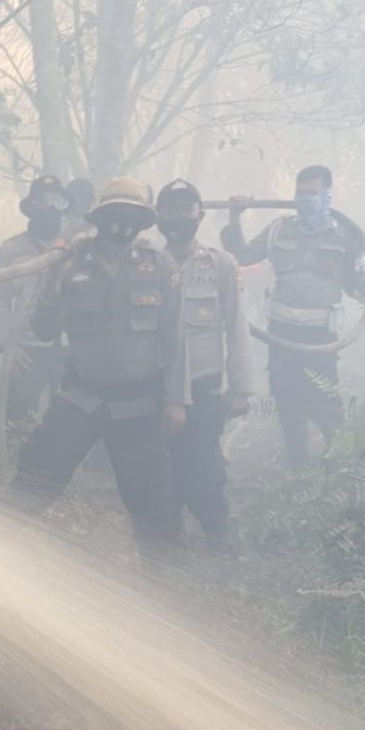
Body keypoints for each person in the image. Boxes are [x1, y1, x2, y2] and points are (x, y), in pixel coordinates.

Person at [1, 178, 188, 559]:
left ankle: (168, 585)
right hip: (80, 396)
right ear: (99, 217)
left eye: (131, 216)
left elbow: (174, 339)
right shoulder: (70, 261)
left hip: (139, 404)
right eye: (114, 215)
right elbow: (44, 329)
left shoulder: (159, 265)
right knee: (35, 479)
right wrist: (52, 283)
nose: (121, 223)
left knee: (152, 501)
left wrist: (176, 400)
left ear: (143, 222)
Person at [220, 165, 365, 467]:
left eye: (312, 193)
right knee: (286, 401)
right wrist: (234, 216)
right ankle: (297, 465)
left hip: (320, 337)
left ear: (327, 196)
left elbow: (357, 288)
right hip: (280, 334)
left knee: (326, 404)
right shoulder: (278, 229)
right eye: (300, 192)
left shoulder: (346, 237)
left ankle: (340, 470)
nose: (304, 199)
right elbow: (240, 257)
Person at [156, 180, 254, 550]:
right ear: (158, 218)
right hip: (161, 387)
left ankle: (217, 531)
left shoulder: (221, 265)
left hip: (205, 385)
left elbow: (237, 327)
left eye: (187, 209)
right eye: (171, 209)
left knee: (206, 463)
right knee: (167, 462)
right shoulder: (149, 263)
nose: (179, 217)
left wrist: (242, 388)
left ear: (200, 215)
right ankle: (169, 535)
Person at [0, 175, 69, 422]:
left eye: (58, 201)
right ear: (32, 208)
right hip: (26, 348)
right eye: (45, 201)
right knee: (18, 417)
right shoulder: (11, 249)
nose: (52, 208)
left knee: (67, 418)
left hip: (67, 346)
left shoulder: (76, 247)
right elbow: (1, 300)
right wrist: (7, 345)